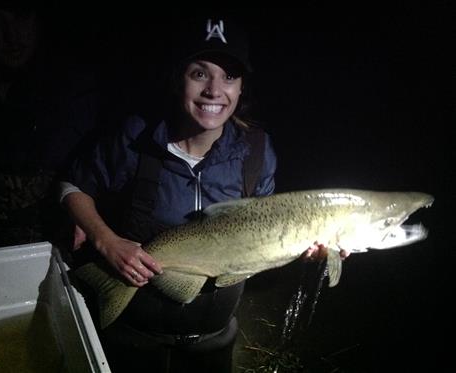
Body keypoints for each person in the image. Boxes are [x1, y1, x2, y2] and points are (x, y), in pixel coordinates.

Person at [60, 16, 347, 373]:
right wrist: (107, 242)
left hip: (214, 336)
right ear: (177, 77)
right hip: (135, 333)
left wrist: (307, 250)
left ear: (242, 88)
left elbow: (267, 229)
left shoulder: (257, 150)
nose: (214, 90)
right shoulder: (135, 138)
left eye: (229, 77)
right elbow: (73, 186)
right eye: (200, 74)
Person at [0, 1, 105, 251]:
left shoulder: (74, 84)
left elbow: (91, 167)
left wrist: (85, 211)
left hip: (53, 245)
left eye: (22, 17)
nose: (12, 36)